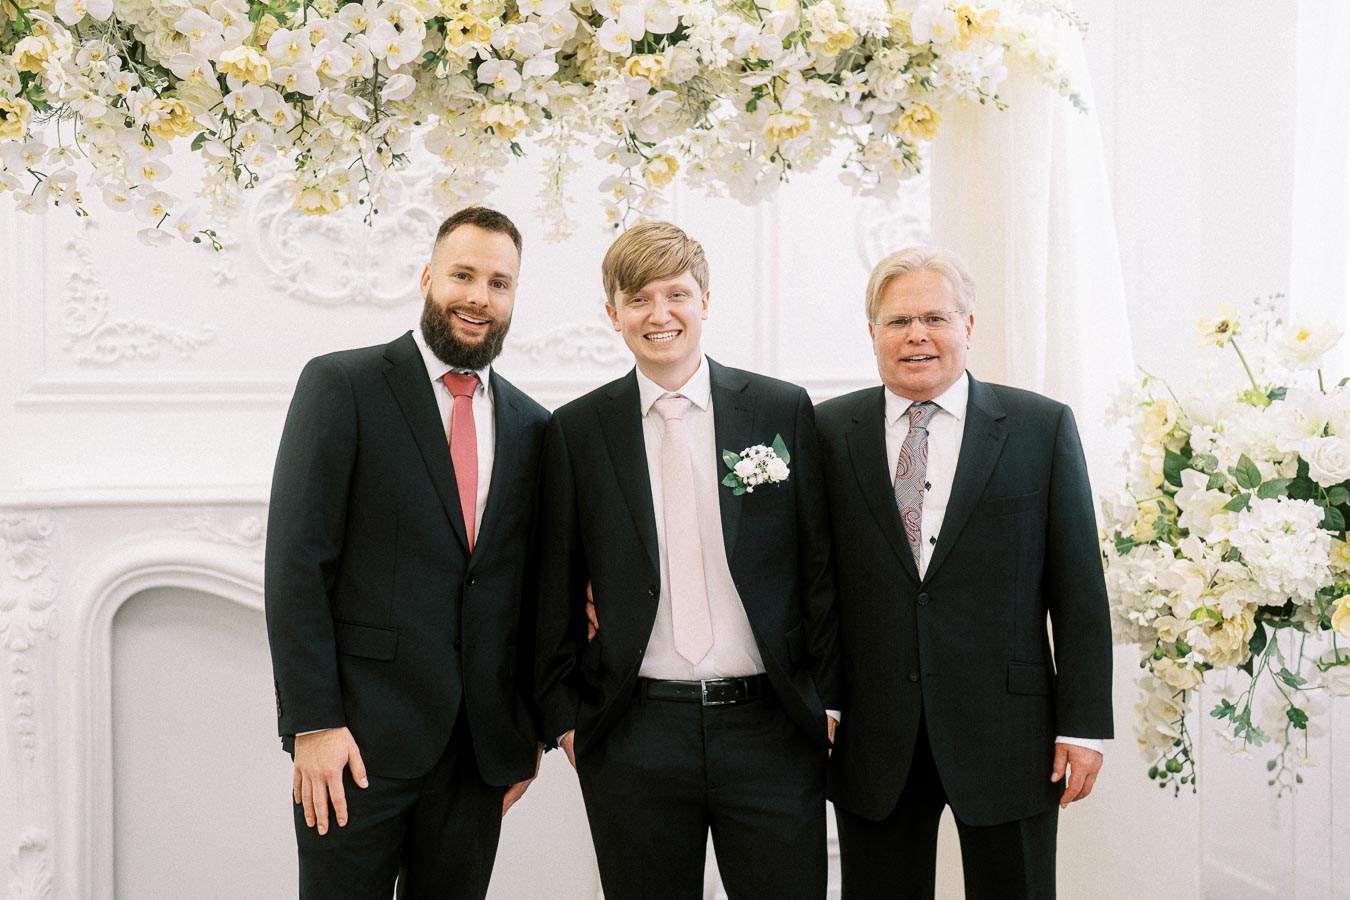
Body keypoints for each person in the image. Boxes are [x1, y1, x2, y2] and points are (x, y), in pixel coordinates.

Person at [533, 221, 841, 899]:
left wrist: (827, 703)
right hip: (636, 730)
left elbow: (820, 569)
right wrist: (567, 723)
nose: (660, 314)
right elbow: (551, 589)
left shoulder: (779, 410)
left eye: (676, 294)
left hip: (771, 726)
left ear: (706, 301)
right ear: (612, 314)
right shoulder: (576, 432)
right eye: (638, 298)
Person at [265, 206, 549, 899]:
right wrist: (314, 724)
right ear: (427, 278)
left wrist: (525, 738)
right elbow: (297, 564)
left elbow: (531, 591)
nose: (479, 297)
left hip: (477, 757)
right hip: (354, 746)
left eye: (499, 283)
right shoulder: (343, 386)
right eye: (463, 275)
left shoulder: (535, 427)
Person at [816, 246, 1113, 899]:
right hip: (872, 733)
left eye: (935, 318)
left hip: (1011, 733)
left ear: (969, 327)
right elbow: (814, 584)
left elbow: (1080, 590)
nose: (916, 335)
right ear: (872, 335)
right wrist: (823, 701)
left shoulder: (1041, 427)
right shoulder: (826, 431)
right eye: (897, 322)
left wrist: (1083, 724)